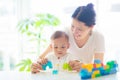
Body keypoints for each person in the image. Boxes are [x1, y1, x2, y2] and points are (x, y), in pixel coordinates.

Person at [31, 3, 105, 73]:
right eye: (72, 26)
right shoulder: (65, 34)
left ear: (91, 27)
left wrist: (85, 67)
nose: (74, 32)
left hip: (85, 76)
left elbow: (99, 67)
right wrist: (36, 64)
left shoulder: (98, 37)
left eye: (79, 29)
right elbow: (42, 56)